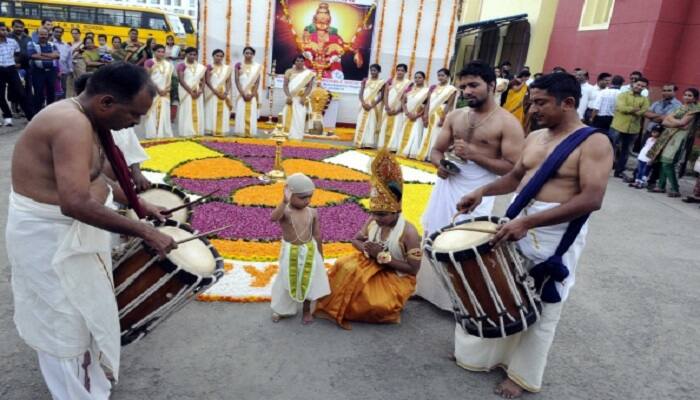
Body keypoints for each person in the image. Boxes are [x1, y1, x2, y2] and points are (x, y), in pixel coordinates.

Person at [7, 62, 176, 400]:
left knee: (84, 315)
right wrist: (143, 231)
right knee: (64, 323)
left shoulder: (88, 119)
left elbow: (97, 176)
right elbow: (76, 203)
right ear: (106, 103)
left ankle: (89, 384)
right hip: (50, 238)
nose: (136, 123)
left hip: (70, 234)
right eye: (134, 115)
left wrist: (141, 206)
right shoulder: (70, 124)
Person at [455, 72, 613, 398]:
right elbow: (515, 177)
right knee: (505, 290)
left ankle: (522, 375)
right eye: (532, 101)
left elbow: (591, 198)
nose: (533, 109)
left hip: (555, 233)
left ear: (567, 103)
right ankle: (491, 356)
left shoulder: (594, 141)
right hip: (518, 221)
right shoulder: (536, 136)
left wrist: (529, 223)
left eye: (540, 103)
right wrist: (482, 191)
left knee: (543, 304)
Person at [416, 60, 524, 311]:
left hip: (478, 192)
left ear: (492, 85)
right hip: (447, 185)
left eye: (474, 85)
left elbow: (512, 168)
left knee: (464, 240)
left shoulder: (507, 124)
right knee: (433, 232)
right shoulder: (456, 116)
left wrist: (474, 154)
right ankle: (425, 291)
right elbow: (436, 150)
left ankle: (459, 300)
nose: (467, 92)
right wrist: (439, 164)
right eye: (463, 86)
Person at [315, 149, 421, 329]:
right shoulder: (374, 220)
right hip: (370, 261)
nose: (377, 218)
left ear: (397, 211)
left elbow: (413, 270)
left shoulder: (409, 233)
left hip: (395, 275)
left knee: (374, 302)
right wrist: (367, 249)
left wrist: (382, 256)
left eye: (382, 215)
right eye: (374, 213)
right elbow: (355, 240)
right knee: (343, 265)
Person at [74, 73, 152, 192]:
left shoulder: (118, 119)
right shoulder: (75, 127)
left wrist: (137, 173)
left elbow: (132, 147)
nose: (137, 121)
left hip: (117, 186)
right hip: (92, 192)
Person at [269, 173, 330, 324]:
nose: (307, 201)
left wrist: (320, 255)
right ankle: (282, 309)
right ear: (290, 194)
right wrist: (283, 201)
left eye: (310, 196)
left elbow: (317, 234)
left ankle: (306, 310)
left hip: (309, 251)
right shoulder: (286, 212)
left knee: (308, 281)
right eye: (302, 197)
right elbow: (273, 218)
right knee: (285, 280)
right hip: (290, 252)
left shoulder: (312, 212)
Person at [647, 88, 700, 197]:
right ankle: (661, 186)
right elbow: (666, 121)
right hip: (668, 135)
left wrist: (671, 120)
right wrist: (674, 122)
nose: (686, 97)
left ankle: (675, 189)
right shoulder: (681, 107)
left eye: (690, 95)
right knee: (662, 160)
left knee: (668, 162)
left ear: (695, 98)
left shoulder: (694, 109)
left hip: (680, 138)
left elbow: (682, 123)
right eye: (685, 94)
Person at [610, 77, 650, 178]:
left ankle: (619, 171)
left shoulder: (644, 99)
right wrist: (634, 109)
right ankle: (603, 168)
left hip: (633, 129)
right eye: (638, 84)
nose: (639, 87)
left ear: (645, 88)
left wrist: (631, 110)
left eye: (642, 86)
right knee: (610, 148)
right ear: (633, 84)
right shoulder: (623, 95)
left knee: (626, 151)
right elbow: (620, 108)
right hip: (618, 126)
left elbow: (643, 111)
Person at [416, 68, 458, 161]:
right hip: (431, 112)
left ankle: (434, 156)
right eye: (439, 75)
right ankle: (425, 154)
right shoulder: (434, 88)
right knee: (427, 133)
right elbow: (428, 103)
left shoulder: (451, 89)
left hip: (441, 113)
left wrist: (443, 118)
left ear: (448, 77)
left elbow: (449, 105)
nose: (440, 77)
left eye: (443, 75)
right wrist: (425, 115)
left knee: (436, 134)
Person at [0, 22, 33, 125]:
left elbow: (17, 54)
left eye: (5, 30)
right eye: (1, 30)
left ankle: (31, 117)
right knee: (0, 95)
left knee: (21, 93)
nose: (3, 32)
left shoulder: (12, 42)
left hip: (12, 69)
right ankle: (7, 116)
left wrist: (15, 62)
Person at [141, 44, 173, 138]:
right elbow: (147, 78)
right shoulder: (149, 62)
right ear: (154, 52)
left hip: (165, 93)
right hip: (153, 91)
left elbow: (169, 80)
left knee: (164, 112)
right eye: (158, 51)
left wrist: (165, 90)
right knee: (151, 113)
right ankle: (151, 134)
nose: (161, 53)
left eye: (163, 52)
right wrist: (158, 89)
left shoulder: (168, 65)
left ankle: (162, 134)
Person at [281, 54, 315, 140]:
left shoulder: (308, 74)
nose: (299, 62)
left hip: (301, 99)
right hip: (290, 99)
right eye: (297, 61)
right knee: (287, 116)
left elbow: (309, 87)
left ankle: (297, 137)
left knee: (300, 117)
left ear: (304, 62)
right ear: (294, 62)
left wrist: (304, 97)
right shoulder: (289, 71)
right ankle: (287, 135)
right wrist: (288, 96)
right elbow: (285, 86)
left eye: (302, 61)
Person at [397, 71, 430, 159]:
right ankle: (403, 150)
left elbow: (427, 105)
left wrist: (417, 115)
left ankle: (413, 152)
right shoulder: (410, 89)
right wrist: (407, 112)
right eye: (416, 77)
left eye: (420, 77)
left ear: (424, 79)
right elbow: (403, 101)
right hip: (407, 115)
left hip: (417, 117)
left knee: (416, 133)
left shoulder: (427, 91)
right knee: (404, 132)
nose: (417, 79)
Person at [378, 64, 411, 149]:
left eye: (402, 70)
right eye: (398, 70)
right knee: (385, 126)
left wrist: (398, 110)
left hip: (399, 110)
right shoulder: (390, 81)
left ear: (406, 72)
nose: (400, 72)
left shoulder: (408, 83)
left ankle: (393, 147)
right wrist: (386, 106)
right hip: (388, 108)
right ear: (396, 71)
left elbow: (406, 100)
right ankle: (383, 145)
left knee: (397, 128)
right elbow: (385, 94)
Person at [27, 27, 59, 112]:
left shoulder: (52, 44)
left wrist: (41, 54)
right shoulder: (32, 44)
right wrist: (50, 56)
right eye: (41, 34)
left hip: (51, 72)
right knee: (38, 93)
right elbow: (33, 56)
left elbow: (56, 56)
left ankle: (50, 112)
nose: (43, 36)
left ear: (48, 35)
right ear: (37, 35)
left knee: (51, 93)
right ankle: (37, 113)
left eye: (45, 34)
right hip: (38, 72)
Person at [353, 63, 385, 148]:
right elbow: (361, 93)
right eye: (371, 70)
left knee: (371, 123)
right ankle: (359, 141)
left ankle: (368, 143)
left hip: (373, 106)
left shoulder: (382, 82)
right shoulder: (365, 80)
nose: (373, 72)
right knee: (361, 121)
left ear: (379, 71)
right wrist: (363, 103)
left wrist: (372, 105)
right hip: (363, 105)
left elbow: (382, 96)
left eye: (375, 70)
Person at [177, 47, 206, 137]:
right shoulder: (182, 65)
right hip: (186, 92)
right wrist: (191, 92)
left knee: (198, 110)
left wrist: (200, 91)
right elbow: (181, 80)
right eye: (190, 54)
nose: (192, 56)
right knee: (187, 110)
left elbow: (203, 80)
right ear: (186, 54)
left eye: (194, 54)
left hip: (197, 92)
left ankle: (197, 131)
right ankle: (187, 131)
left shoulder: (200, 67)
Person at [233, 46, 262, 137]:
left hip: (252, 94)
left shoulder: (257, 67)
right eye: (246, 53)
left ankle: (251, 132)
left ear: (253, 55)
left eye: (250, 53)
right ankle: (240, 131)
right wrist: (242, 93)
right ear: (243, 54)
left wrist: (253, 94)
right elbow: (237, 81)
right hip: (241, 94)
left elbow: (257, 82)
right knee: (241, 112)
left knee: (252, 113)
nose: (248, 55)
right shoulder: (239, 66)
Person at [204, 49, 232, 136]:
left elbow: (228, 82)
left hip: (223, 94)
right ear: (213, 56)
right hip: (212, 93)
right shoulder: (209, 67)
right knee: (211, 110)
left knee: (223, 111)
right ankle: (211, 130)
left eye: (221, 56)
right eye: (217, 56)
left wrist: (226, 92)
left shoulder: (227, 68)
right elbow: (207, 81)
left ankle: (221, 130)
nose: (219, 58)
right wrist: (216, 92)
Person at [52, 26, 71, 100]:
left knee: (63, 90)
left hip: (64, 71)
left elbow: (69, 59)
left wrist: (70, 70)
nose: (58, 33)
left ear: (63, 33)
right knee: (52, 89)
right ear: (53, 32)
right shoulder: (50, 43)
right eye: (56, 31)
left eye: (60, 32)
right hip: (52, 70)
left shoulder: (66, 45)